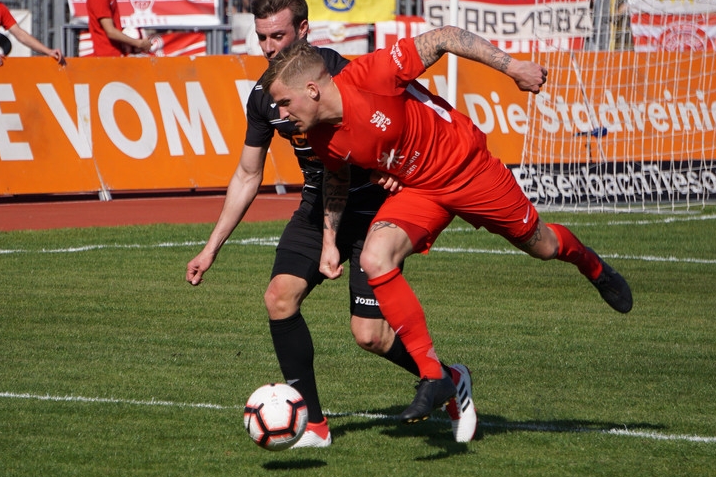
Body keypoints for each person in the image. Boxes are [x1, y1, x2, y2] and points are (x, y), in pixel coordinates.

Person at [262, 29, 633, 425]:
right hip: (420, 191)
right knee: (374, 256)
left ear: (313, 90)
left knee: (542, 245)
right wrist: (331, 241)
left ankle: (592, 266)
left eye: (285, 102)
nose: (281, 114)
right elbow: (336, 179)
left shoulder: (373, 74)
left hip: (469, 171)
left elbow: (443, 37)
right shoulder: (319, 136)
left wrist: (513, 68)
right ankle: (433, 374)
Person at [186, 0, 479, 447]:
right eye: (261, 37)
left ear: (303, 29)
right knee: (279, 297)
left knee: (370, 336)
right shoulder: (264, 97)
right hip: (316, 204)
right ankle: (315, 427)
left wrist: (394, 167)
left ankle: (449, 377)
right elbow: (247, 174)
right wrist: (211, 247)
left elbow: (402, 122)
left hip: (371, 212)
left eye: (277, 36)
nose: (267, 48)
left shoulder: (346, 74)